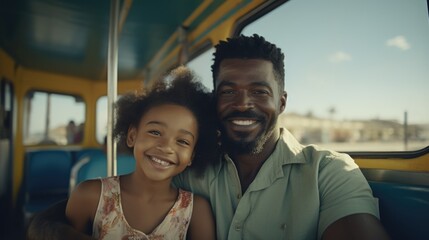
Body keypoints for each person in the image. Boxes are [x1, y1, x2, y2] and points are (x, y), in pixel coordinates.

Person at [28, 34, 390, 240]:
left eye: (260, 92)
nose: (243, 103)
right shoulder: (189, 171)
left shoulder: (329, 172)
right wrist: (44, 227)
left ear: (281, 102)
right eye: (228, 91)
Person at [45, 66, 217, 240]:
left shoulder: (196, 211)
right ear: (132, 136)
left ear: (192, 156)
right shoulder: (89, 196)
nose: (166, 147)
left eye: (182, 141)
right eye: (155, 132)